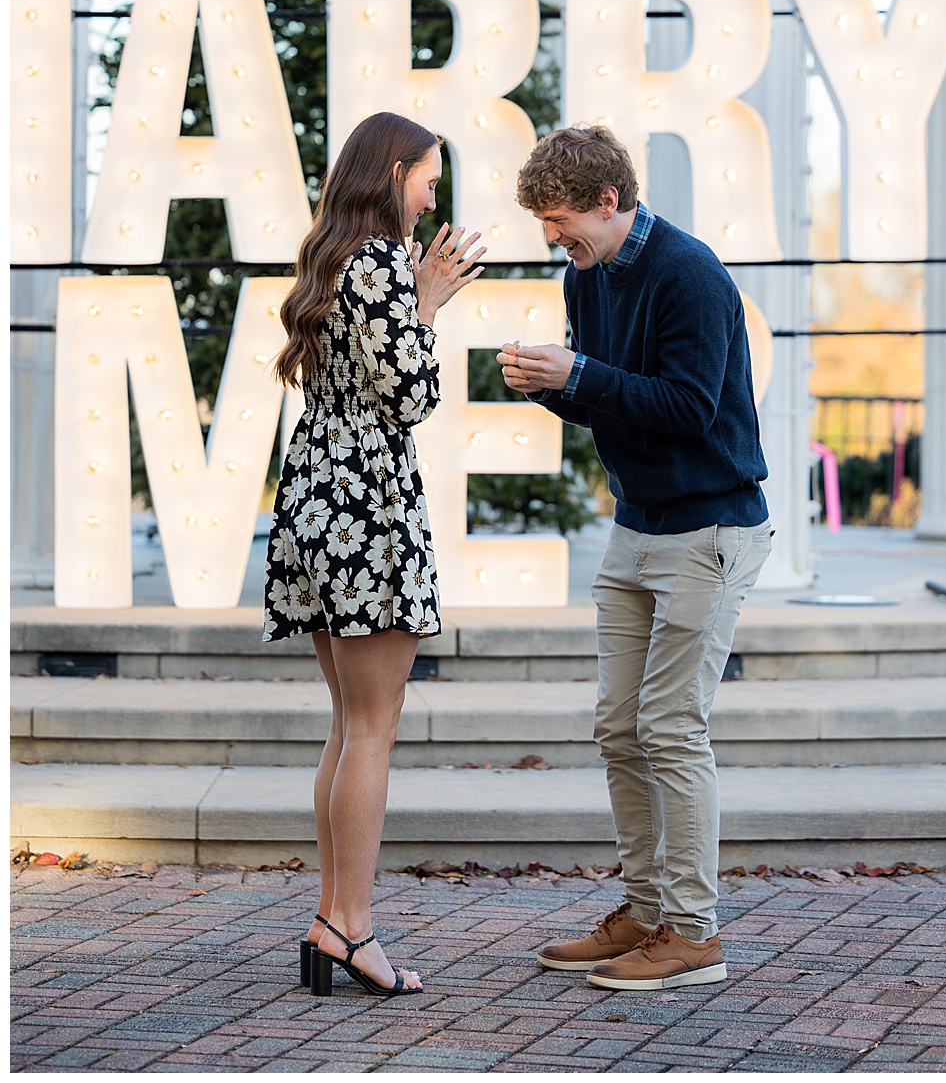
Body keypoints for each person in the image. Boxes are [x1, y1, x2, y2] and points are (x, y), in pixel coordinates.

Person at [499, 124, 774, 993]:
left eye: (560, 218)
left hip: (710, 530)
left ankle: (694, 934)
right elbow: (614, 406)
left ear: (609, 201)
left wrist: (576, 376)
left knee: (669, 727)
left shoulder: (690, 273)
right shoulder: (584, 274)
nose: (553, 236)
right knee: (619, 726)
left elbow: (691, 409)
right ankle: (646, 912)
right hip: (637, 528)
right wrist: (554, 387)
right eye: (546, 222)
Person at [265, 110, 487, 998]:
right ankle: (350, 927)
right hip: (368, 508)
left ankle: (332, 917)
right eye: (428, 178)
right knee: (372, 731)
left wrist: (418, 295)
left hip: (318, 499)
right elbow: (411, 395)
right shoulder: (381, 262)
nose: (435, 195)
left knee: (347, 727)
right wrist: (429, 301)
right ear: (393, 172)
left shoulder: (329, 255)